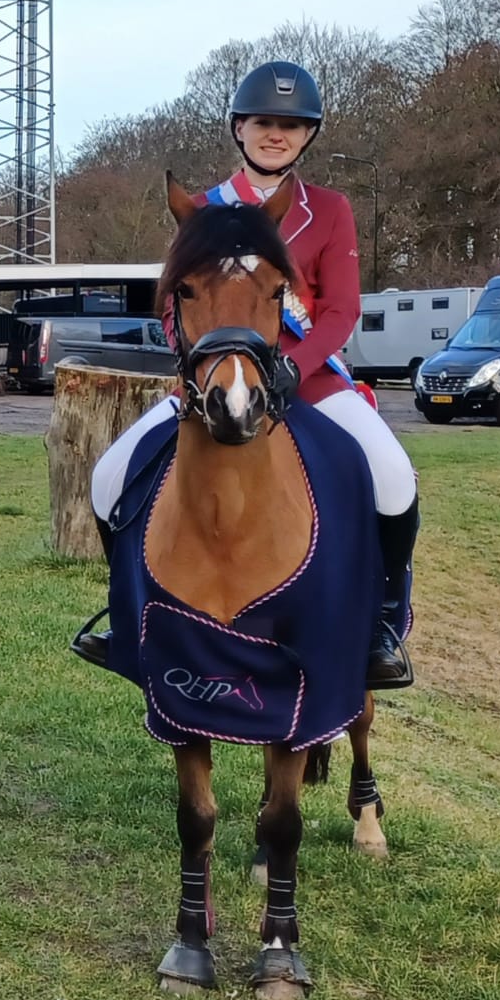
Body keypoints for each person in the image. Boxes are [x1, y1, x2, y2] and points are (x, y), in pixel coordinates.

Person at [88, 60, 420, 688]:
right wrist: (193, 368)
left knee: (395, 478)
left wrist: (294, 366)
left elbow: (342, 308)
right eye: (265, 122)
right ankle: (126, 616)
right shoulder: (203, 209)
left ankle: (379, 623)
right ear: (239, 128)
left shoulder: (328, 210)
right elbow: (171, 304)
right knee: (109, 478)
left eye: (292, 126)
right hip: (210, 380)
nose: (277, 135)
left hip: (309, 378)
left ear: (309, 135)